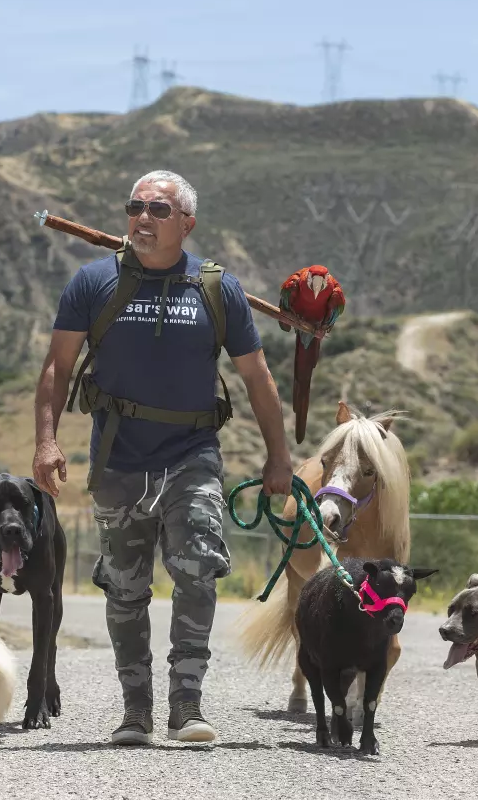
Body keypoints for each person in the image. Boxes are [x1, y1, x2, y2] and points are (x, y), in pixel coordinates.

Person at [32, 168, 293, 745]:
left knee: (197, 570)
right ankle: (136, 711)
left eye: (158, 210)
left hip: (192, 455)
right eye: (135, 207)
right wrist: (47, 441)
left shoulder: (216, 288)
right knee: (125, 587)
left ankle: (187, 705)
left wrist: (280, 457)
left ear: (187, 224)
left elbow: (257, 376)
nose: (143, 218)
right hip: (118, 459)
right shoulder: (92, 282)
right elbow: (58, 366)